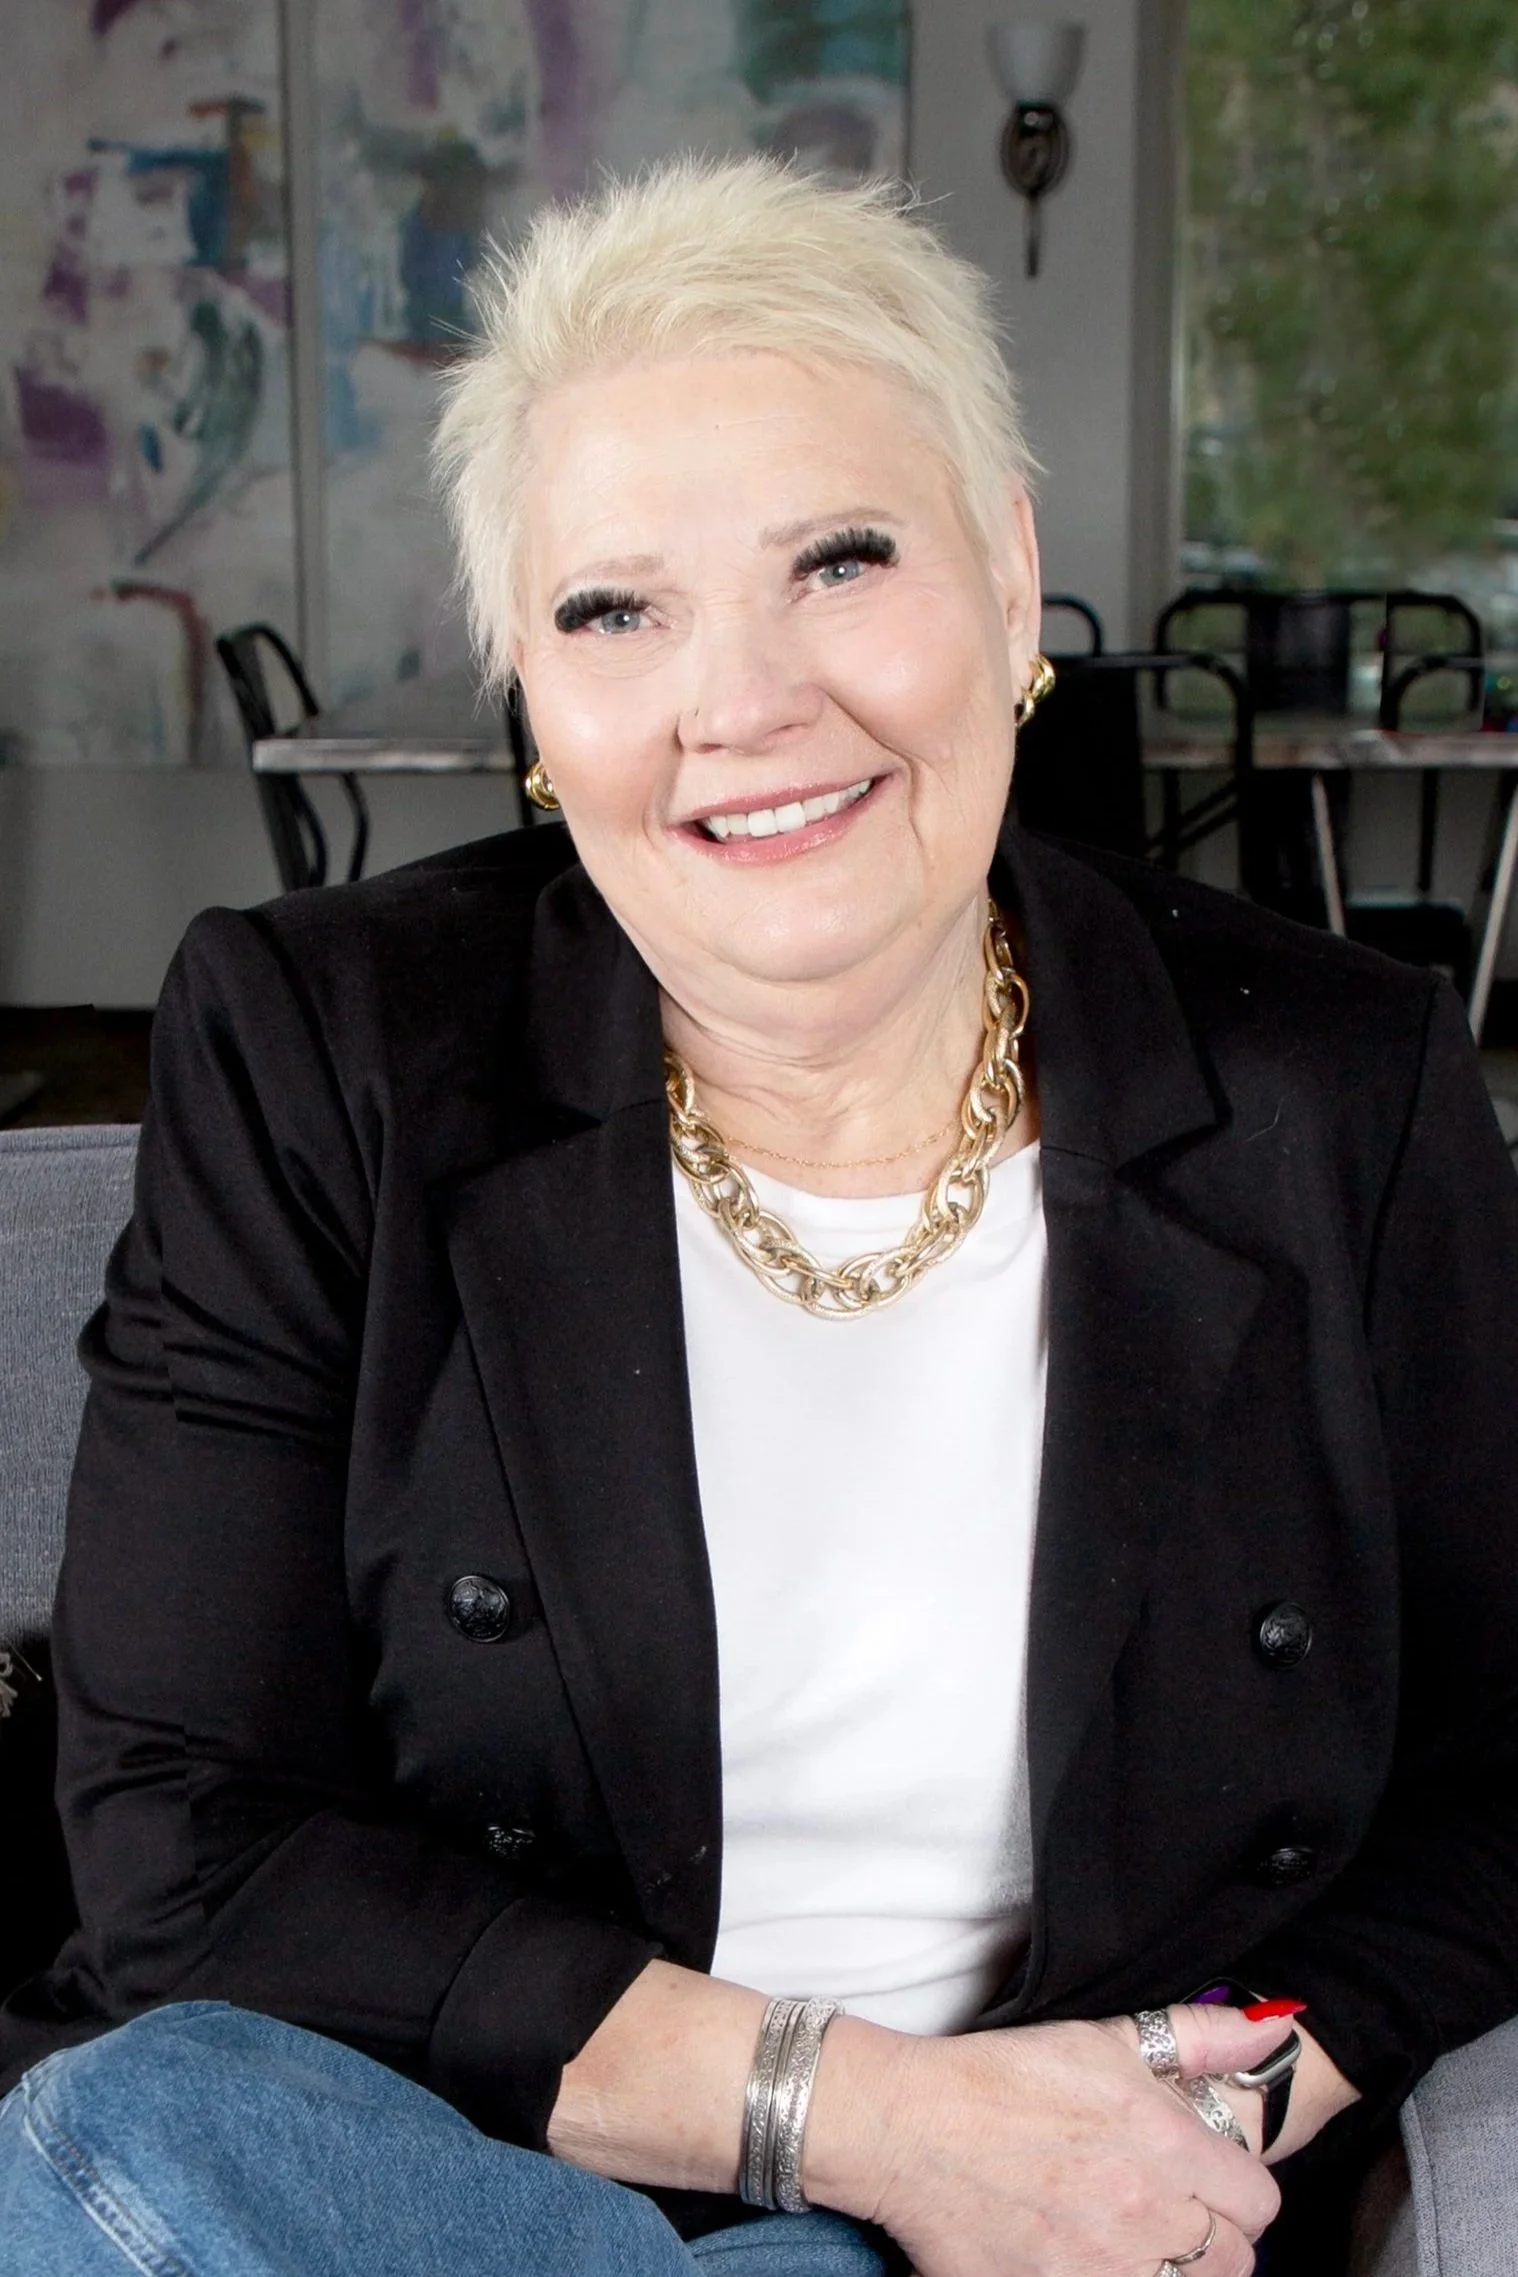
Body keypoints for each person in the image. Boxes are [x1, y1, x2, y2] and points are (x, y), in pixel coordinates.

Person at [3, 156, 1517, 2277]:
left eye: (840, 558)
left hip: (1041, 2223)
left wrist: (1203, 2103)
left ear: (1009, 581)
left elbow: (1504, 1764)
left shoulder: (1336, 1086)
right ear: (533, 696)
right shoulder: (321, 1051)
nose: (741, 702)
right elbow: (185, 1845)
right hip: (454, 2171)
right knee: (137, 2131)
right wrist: (873, 2123)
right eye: (613, 610)